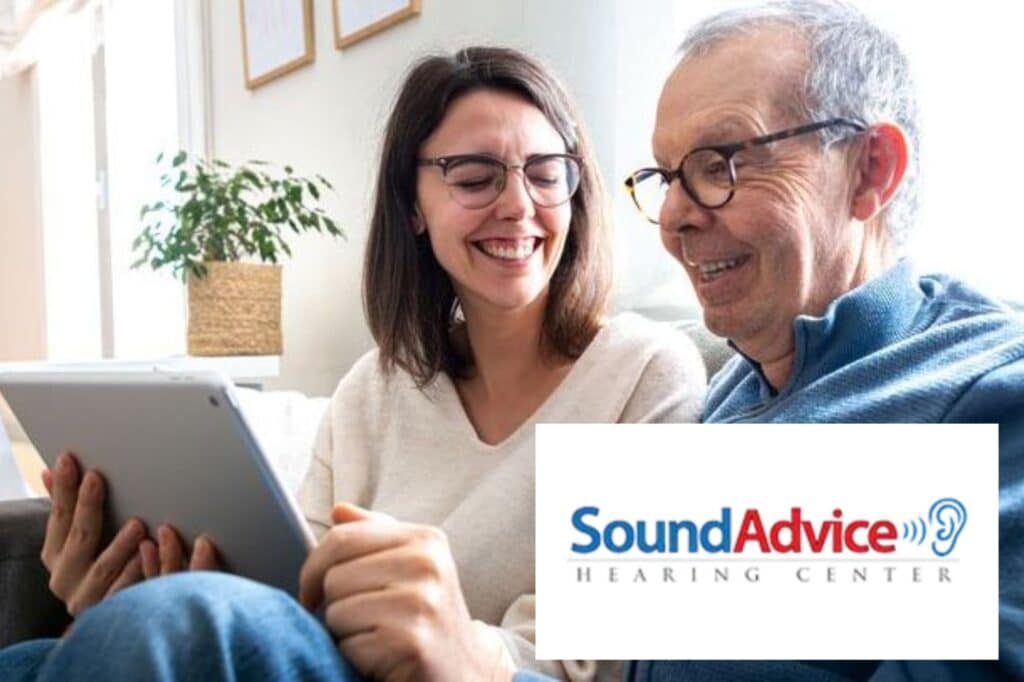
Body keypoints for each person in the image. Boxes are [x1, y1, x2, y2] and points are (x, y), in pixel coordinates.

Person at [0, 47, 706, 681]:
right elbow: (292, 592)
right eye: (474, 177)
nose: (519, 205)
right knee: (43, 655)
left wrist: (458, 645)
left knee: (173, 626)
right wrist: (144, 588)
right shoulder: (375, 388)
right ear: (413, 207)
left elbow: (600, 658)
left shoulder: (646, 374)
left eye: (547, 174)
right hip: (313, 658)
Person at [617, 1, 1024, 680]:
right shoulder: (730, 391)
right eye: (665, 176)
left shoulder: (993, 395)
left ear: (870, 171)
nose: (674, 219)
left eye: (719, 163)